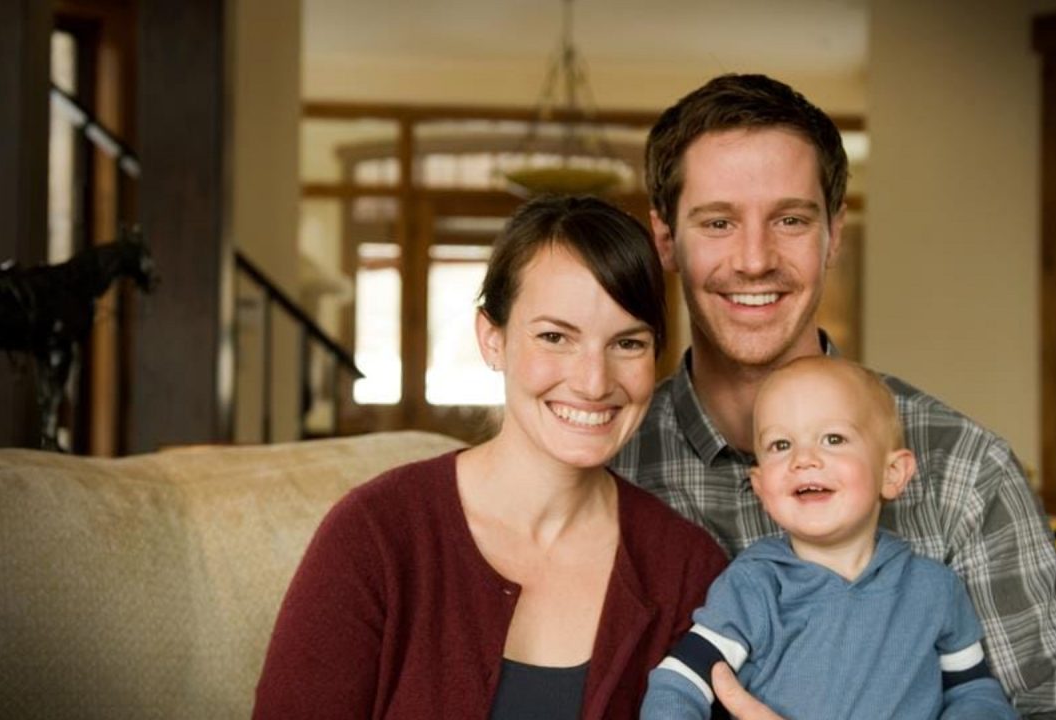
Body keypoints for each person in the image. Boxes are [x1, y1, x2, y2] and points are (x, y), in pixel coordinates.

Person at [610, 73, 1056, 717]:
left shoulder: (963, 470)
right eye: (718, 222)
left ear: (834, 233)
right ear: (664, 240)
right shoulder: (613, 465)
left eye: (791, 219)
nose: (756, 258)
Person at [253, 195, 728, 719]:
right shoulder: (375, 536)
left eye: (628, 344)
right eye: (554, 336)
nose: (594, 382)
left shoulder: (687, 569)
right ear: (492, 339)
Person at [640, 356, 1017, 719]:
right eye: (781, 445)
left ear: (893, 473)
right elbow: (680, 681)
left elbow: (973, 690)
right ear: (760, 487)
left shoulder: (935, 589)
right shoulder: (754, 586)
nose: (804, 459)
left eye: (833, 438)